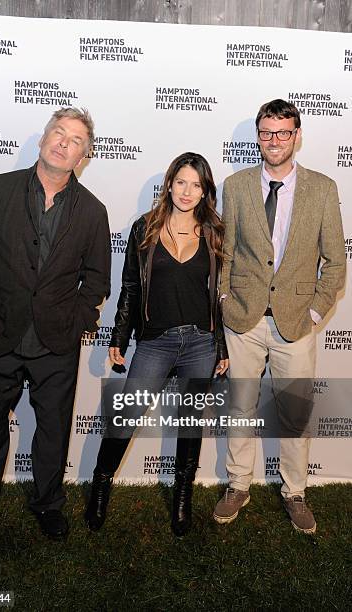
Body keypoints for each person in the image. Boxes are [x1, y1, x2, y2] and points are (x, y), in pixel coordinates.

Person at [0, 107, 111, 553]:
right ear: (42, 140)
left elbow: (96, 280)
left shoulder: (93, 212)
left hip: (55, 343)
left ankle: (48, 504)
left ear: (85, 155)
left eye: (75, 139)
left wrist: (78, 321)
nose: (63, 142)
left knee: (54, 430)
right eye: (58, 133)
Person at [213, 99, 345, 534]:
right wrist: (225, 301)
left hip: (295, 322)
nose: (275, 141)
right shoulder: (235, 186)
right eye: (267, 133)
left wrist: (313, 311)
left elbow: (336, 262)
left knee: (295, 413)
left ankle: (294, 492)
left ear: (297, 136)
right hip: (244, 321)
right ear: (258, 136)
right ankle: (238, 485)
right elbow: (226, 253)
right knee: (240, 408)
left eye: (283, 132)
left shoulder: (323, 189)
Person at [84, 152, 228, 536]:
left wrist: (222, 347)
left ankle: (182, 498)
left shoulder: (215, 231)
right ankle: (101, 483)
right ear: (168, 184)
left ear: (205, 191)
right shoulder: (143, 228)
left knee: (190, 424)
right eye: (181, 181)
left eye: (196, 185)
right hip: (155, 343)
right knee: (125, 418)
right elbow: (130, 287)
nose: (187, 191)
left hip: (200, 344)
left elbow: (217, 297)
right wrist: (119, 335)